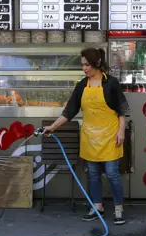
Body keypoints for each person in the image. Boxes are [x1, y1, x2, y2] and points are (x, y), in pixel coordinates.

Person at [43, 47, 129, 225]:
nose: (85, 68)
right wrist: (52, 127)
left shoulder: (111, 83)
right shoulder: (82, 85)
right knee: (93, 174)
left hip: (110, 136)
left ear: (97, 63)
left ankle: (119, 208)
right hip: (90, 136)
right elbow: (69, 111)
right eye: (83, 65)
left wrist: (121, 131)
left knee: (112, 173)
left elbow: (122, 110)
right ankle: (96, 206)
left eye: (87, 64)